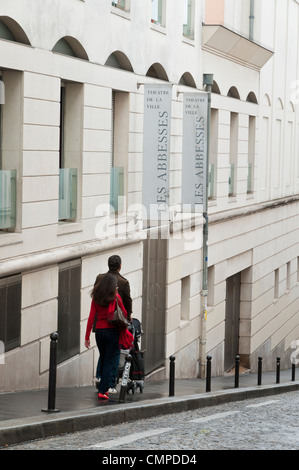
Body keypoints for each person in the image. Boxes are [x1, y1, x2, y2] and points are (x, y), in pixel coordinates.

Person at [85, 273, 128, 400]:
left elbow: (91, 317)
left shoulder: (96, 297)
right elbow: (124, 313)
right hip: (111, 331)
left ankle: (102, 387)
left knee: (103, 358)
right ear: (113, 286)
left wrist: (87, 336)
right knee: (109, 360)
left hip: (99, 332)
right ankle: (103, 390)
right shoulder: (115, 297)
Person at [94, 255, 133, 392]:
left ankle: (99, 376)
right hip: (114, 323)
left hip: (99, 322)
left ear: (108, 264)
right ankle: (110, 383)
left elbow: (96, 299)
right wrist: (128, 317)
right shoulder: (123, 282)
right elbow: (127, 303)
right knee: (115, 353)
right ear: (120, 266)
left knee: (104, 353)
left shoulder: (99, 278)